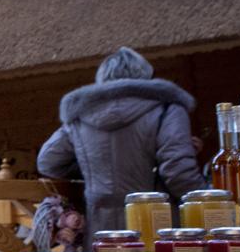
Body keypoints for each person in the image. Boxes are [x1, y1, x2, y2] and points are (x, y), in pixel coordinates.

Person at [36, 47, 204, 236]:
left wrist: (93, 166)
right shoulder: (166, 110)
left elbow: (47, 162)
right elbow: (179, 173)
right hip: (155, 226)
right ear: (145, 76)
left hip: (101, 230)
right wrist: (211, 199)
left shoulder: (79, 117)